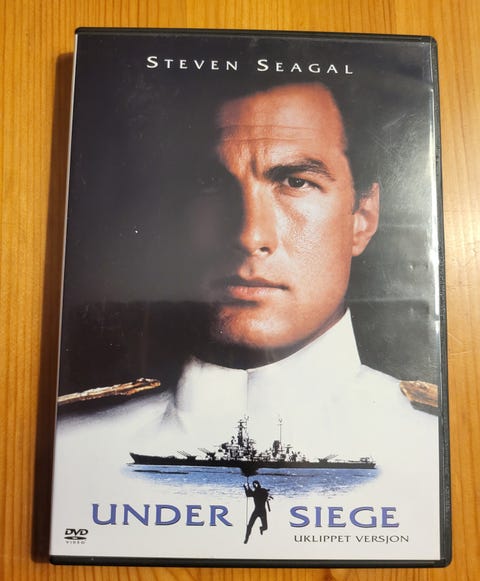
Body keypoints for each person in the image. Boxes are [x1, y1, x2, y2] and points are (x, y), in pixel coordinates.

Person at [56, 81, 438, 482]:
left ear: (363, 217)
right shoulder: (75, 448)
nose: (249, 235)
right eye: (209, 184)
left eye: (296, 182)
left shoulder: (432, 448)